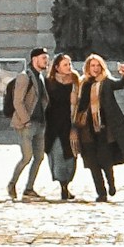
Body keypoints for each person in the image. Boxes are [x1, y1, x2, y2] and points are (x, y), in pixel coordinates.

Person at [74, 51, 124, 200]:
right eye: (92, 65)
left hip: (103, 128)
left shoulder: (106, 82)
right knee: (93, 163)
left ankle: (111, 184)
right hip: (85, 128)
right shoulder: (82, 83)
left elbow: (119, 84)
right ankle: (101, 193)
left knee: (105, 160)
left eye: (97, 65)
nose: (95, 68)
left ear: (101, 67)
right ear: (87, 67)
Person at [4, 46, 51, 200]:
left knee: (39, 157)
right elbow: (18, 102)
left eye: (47, 58)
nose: (46, 61)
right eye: (44, 58)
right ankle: (12, 183)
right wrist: (26, 120)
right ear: (34, 59)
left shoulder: (41, 76)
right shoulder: (24, 77)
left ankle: (29, 188)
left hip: (40, 123)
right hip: (27, 124)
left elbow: (43, 99)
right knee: (27, 157)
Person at [40, 49, 79, 200]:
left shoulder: (76, 81)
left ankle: (67, 183)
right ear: (57, 67)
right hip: (53, 124)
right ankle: (63, 186)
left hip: (70, 123)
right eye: (65, 64)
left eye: (69, 64)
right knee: (57, 155)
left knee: (71, 157)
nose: (68, 67)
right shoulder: (49, 83)